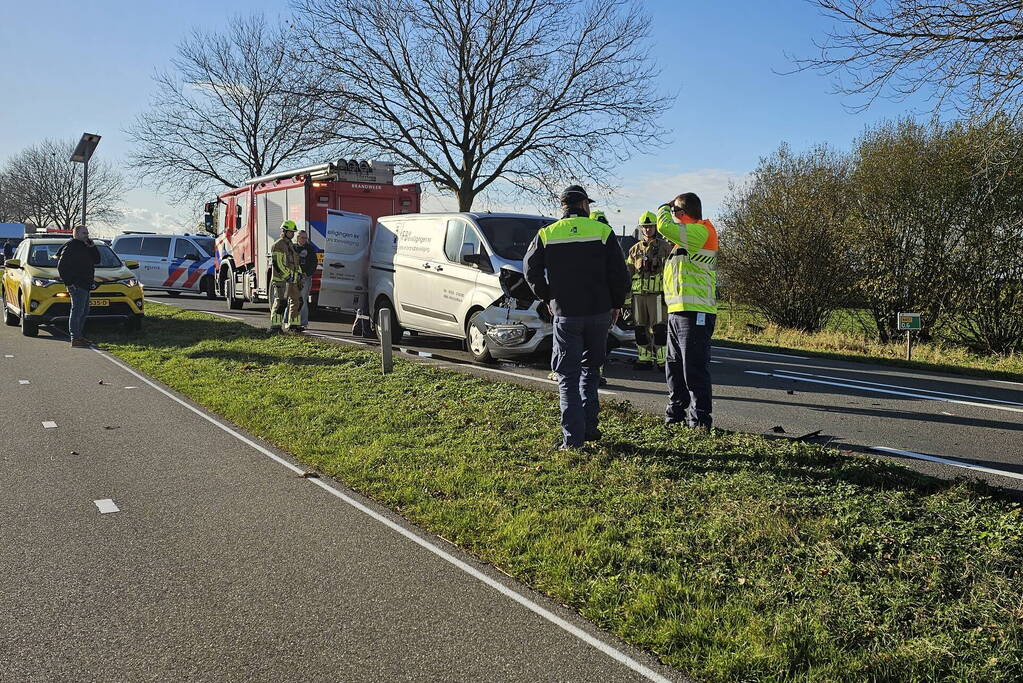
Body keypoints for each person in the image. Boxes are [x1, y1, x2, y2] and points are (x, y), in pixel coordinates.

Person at [525, 185, 629, 449]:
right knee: (590, 370)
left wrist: (548, 296)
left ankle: (573, 439)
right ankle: (590, 427)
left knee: (567, 376)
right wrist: (616, 304)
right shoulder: (603, 232)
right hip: (598, 313)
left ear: (564, 207)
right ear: (583, 205)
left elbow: (530, 270)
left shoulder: (547, 234)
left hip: (566, 314)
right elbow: (619, 274)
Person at [657, 192, 718, 430]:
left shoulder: (701, 232)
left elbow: (663, 225)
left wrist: (664, 206)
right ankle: (675, 416)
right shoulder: (684, 241)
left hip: (696, 312)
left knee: (693, 369)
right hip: (678, 311)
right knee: (674, 368)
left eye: (674, 212)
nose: (672, 216)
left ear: (681, 213)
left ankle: (700, 421)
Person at [626, 211, 672, 371]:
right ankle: (644, 359)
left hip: (658, 295)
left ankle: (662, 362)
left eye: (650, 226)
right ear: (641, 228)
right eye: (645, 227)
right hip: (638, 296)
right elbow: (629, 273)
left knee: (659, 328)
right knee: (639, 328)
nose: (647, 230)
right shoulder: (634, 250)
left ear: (655, 227)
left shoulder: (665, 247)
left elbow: (670, 272)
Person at [56, 225, 101, 348]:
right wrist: (69, 283)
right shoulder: (71, 247)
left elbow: (97, 260)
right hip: (77, 285)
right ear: (75, 234)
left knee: (84, 311)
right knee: (77, 311)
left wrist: (92, 248)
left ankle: (79, 336)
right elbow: (61, 267)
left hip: (86, 284)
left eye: (87, 233)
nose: (86, 235)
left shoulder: (86, 246)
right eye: (83, 233)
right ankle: (75, 338)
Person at [269, 220, 303, 333]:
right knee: (281, 303)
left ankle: (294, 326)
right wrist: (288, 276)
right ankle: (275, 327)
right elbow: (278, 264)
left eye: (293, 232)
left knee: (298, 301)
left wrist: (299, 275)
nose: (292, 234)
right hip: (282, 280)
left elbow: (295, 263)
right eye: (290, 232)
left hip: (293, 280)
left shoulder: (291, 246)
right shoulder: (278, 245)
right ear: (284, 231)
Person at [292, 229, 317, 329]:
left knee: (302, 299)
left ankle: (302, 322)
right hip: (293, 277)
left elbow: (313, 263)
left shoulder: (310, 249)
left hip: (305, 278)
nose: (304, 239)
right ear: (297, 238)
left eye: (306, 238)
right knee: (292, 299)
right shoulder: (293, 248)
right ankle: (290, 321)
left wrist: (307, 274)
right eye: (302, 237)